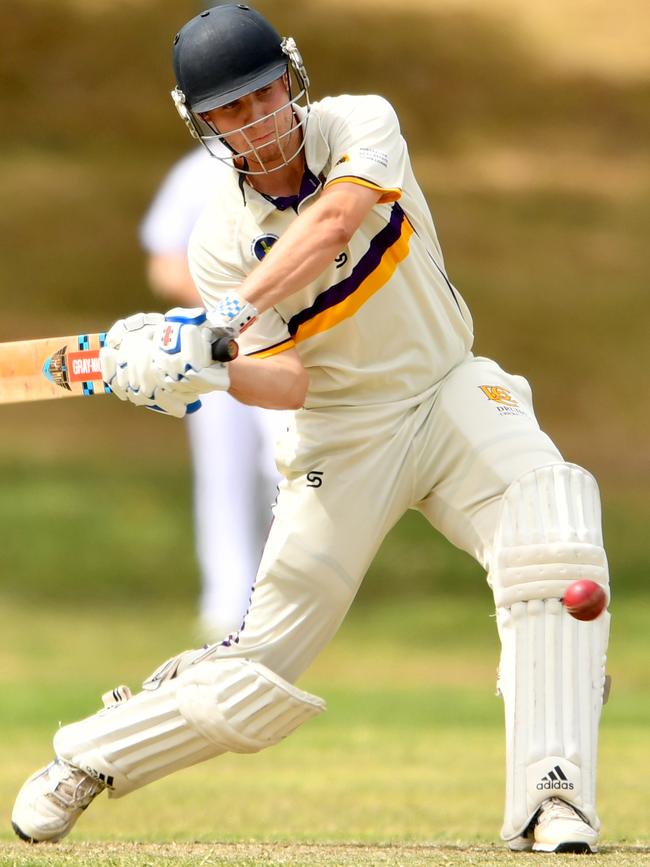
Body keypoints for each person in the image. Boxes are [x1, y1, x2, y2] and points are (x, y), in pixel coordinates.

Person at [12, 4, 611, 854]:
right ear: (203, 124)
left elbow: (336, 220)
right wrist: (207, 368)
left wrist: (218, 319)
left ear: (291, 81)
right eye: (228, 112)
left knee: (556, 544)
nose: (254, 122)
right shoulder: (218, 235)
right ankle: (86, 758)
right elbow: (287, 382)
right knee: (261, 668)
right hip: (342, 435)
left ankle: (554, 799)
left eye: (263, 97)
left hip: (450, 388)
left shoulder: (360, 123)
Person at [140, 145, 285, 640]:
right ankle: (227, 600)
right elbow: (164, 262)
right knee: (224, 474)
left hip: (287, 347)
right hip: (211, 347)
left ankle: (286, 594)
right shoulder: (197, 175)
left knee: (288, 465)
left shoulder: (301, 167)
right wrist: (231, 312)